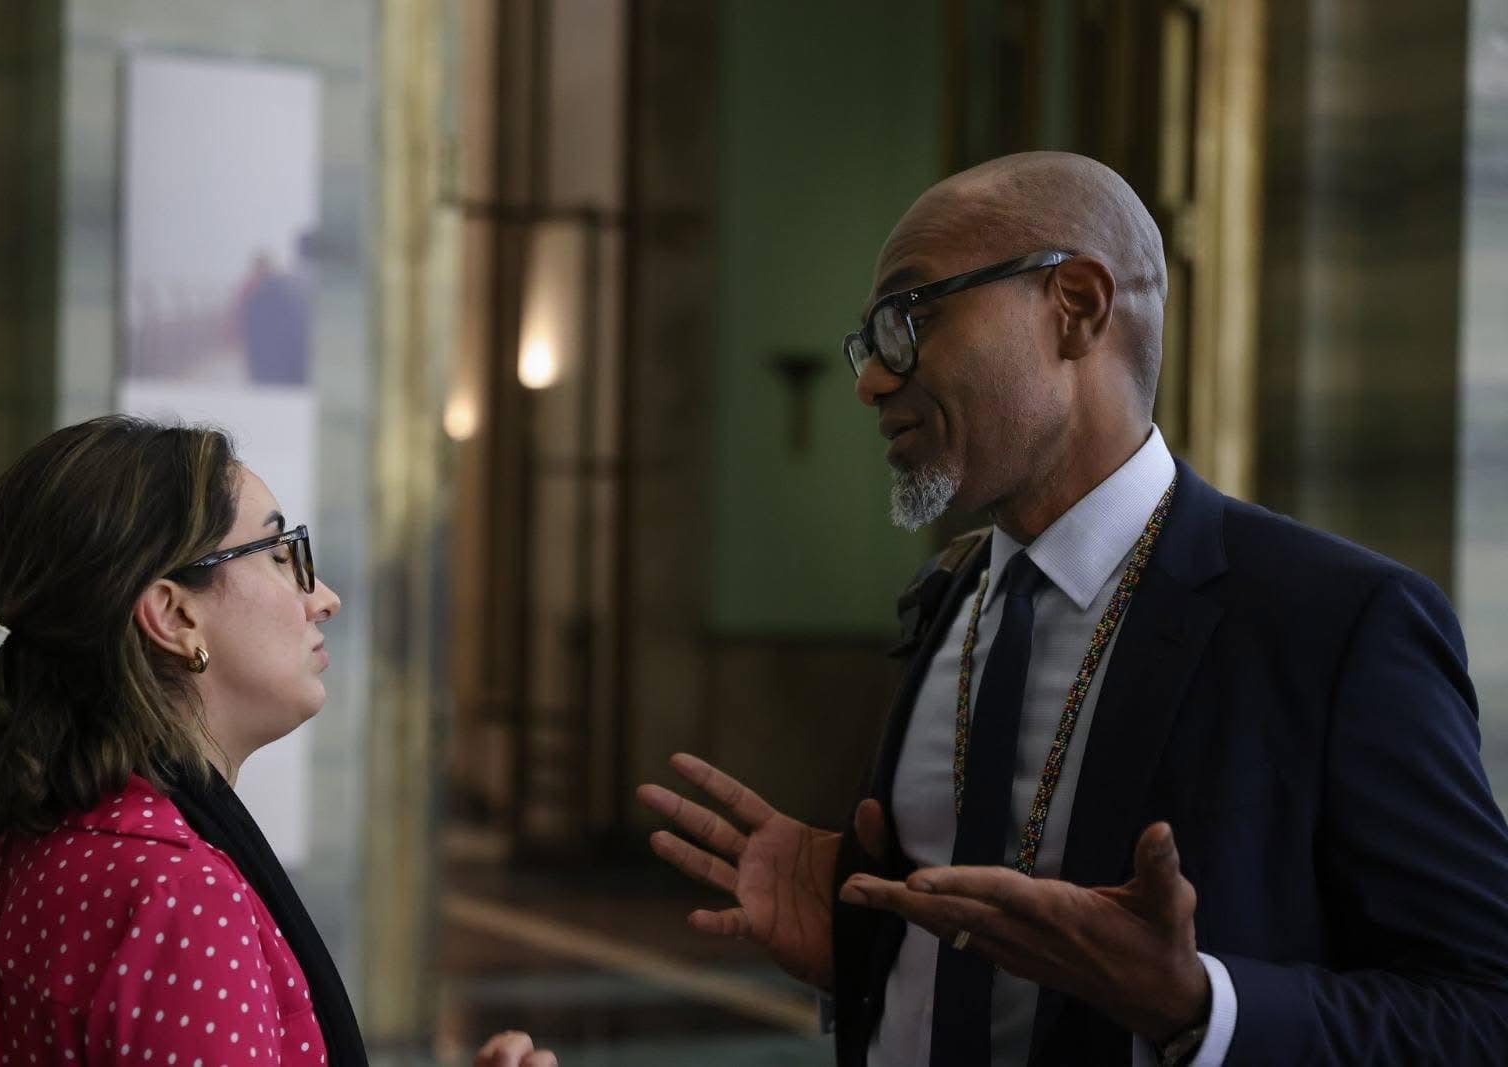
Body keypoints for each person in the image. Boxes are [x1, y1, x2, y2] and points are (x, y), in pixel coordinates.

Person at [639, 152, 1508, 1065]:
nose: (872, 381)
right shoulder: (949, 599)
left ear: (1078, 307)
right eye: (871, 342)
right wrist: (868, 954)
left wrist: (1199, 1008)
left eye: (911, 318)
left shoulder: (1339, 624)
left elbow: (1484, 1007)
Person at [0, 415, 555, 1067]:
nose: (324, 598)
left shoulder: (53, 839)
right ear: (174, 615)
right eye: (278, 555)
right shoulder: (180, 896)